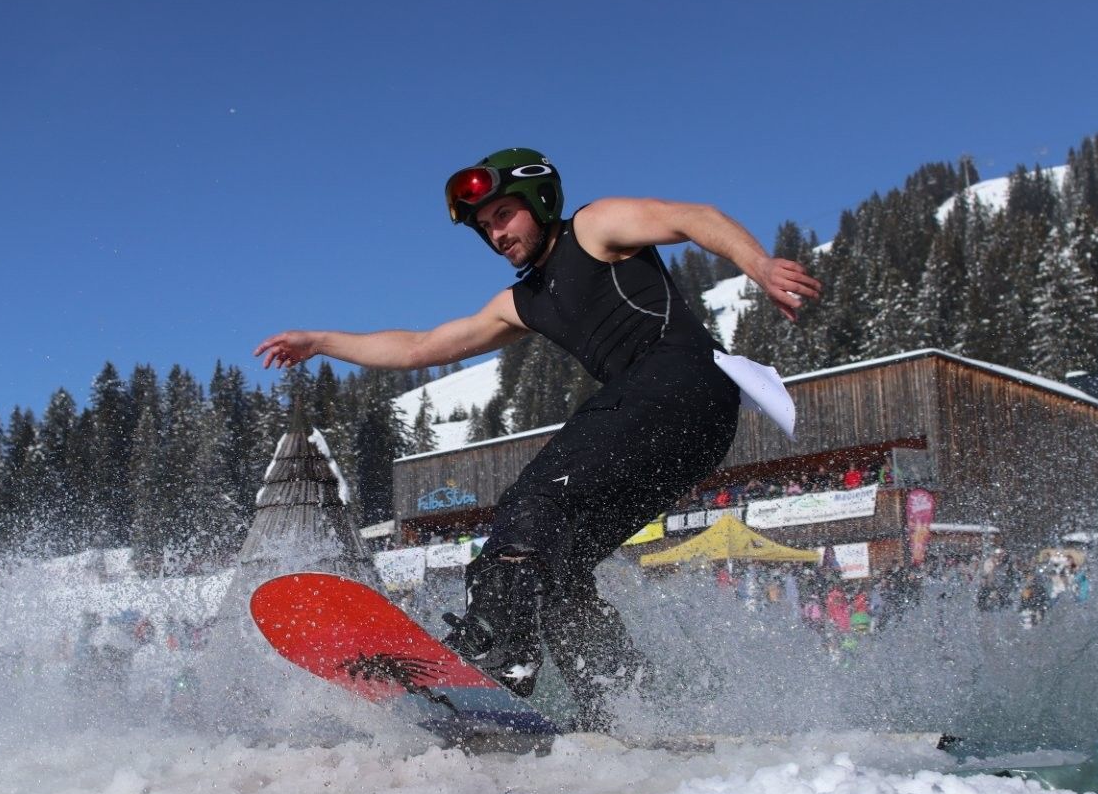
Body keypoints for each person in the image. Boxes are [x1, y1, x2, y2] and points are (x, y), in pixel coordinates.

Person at [255, 147, 821, 729]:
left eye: (503, 215)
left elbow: (690, 217)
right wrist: (321, 340)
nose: (496, 234)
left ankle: (503, 654)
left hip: (680, 381)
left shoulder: (595, 228)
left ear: (539, 200)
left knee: (532, 506)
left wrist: (759, 265)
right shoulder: (519, 303)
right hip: (688, 434)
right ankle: (627, 707)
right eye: (485, 228)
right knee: (556, 568)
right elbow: (419, 347)